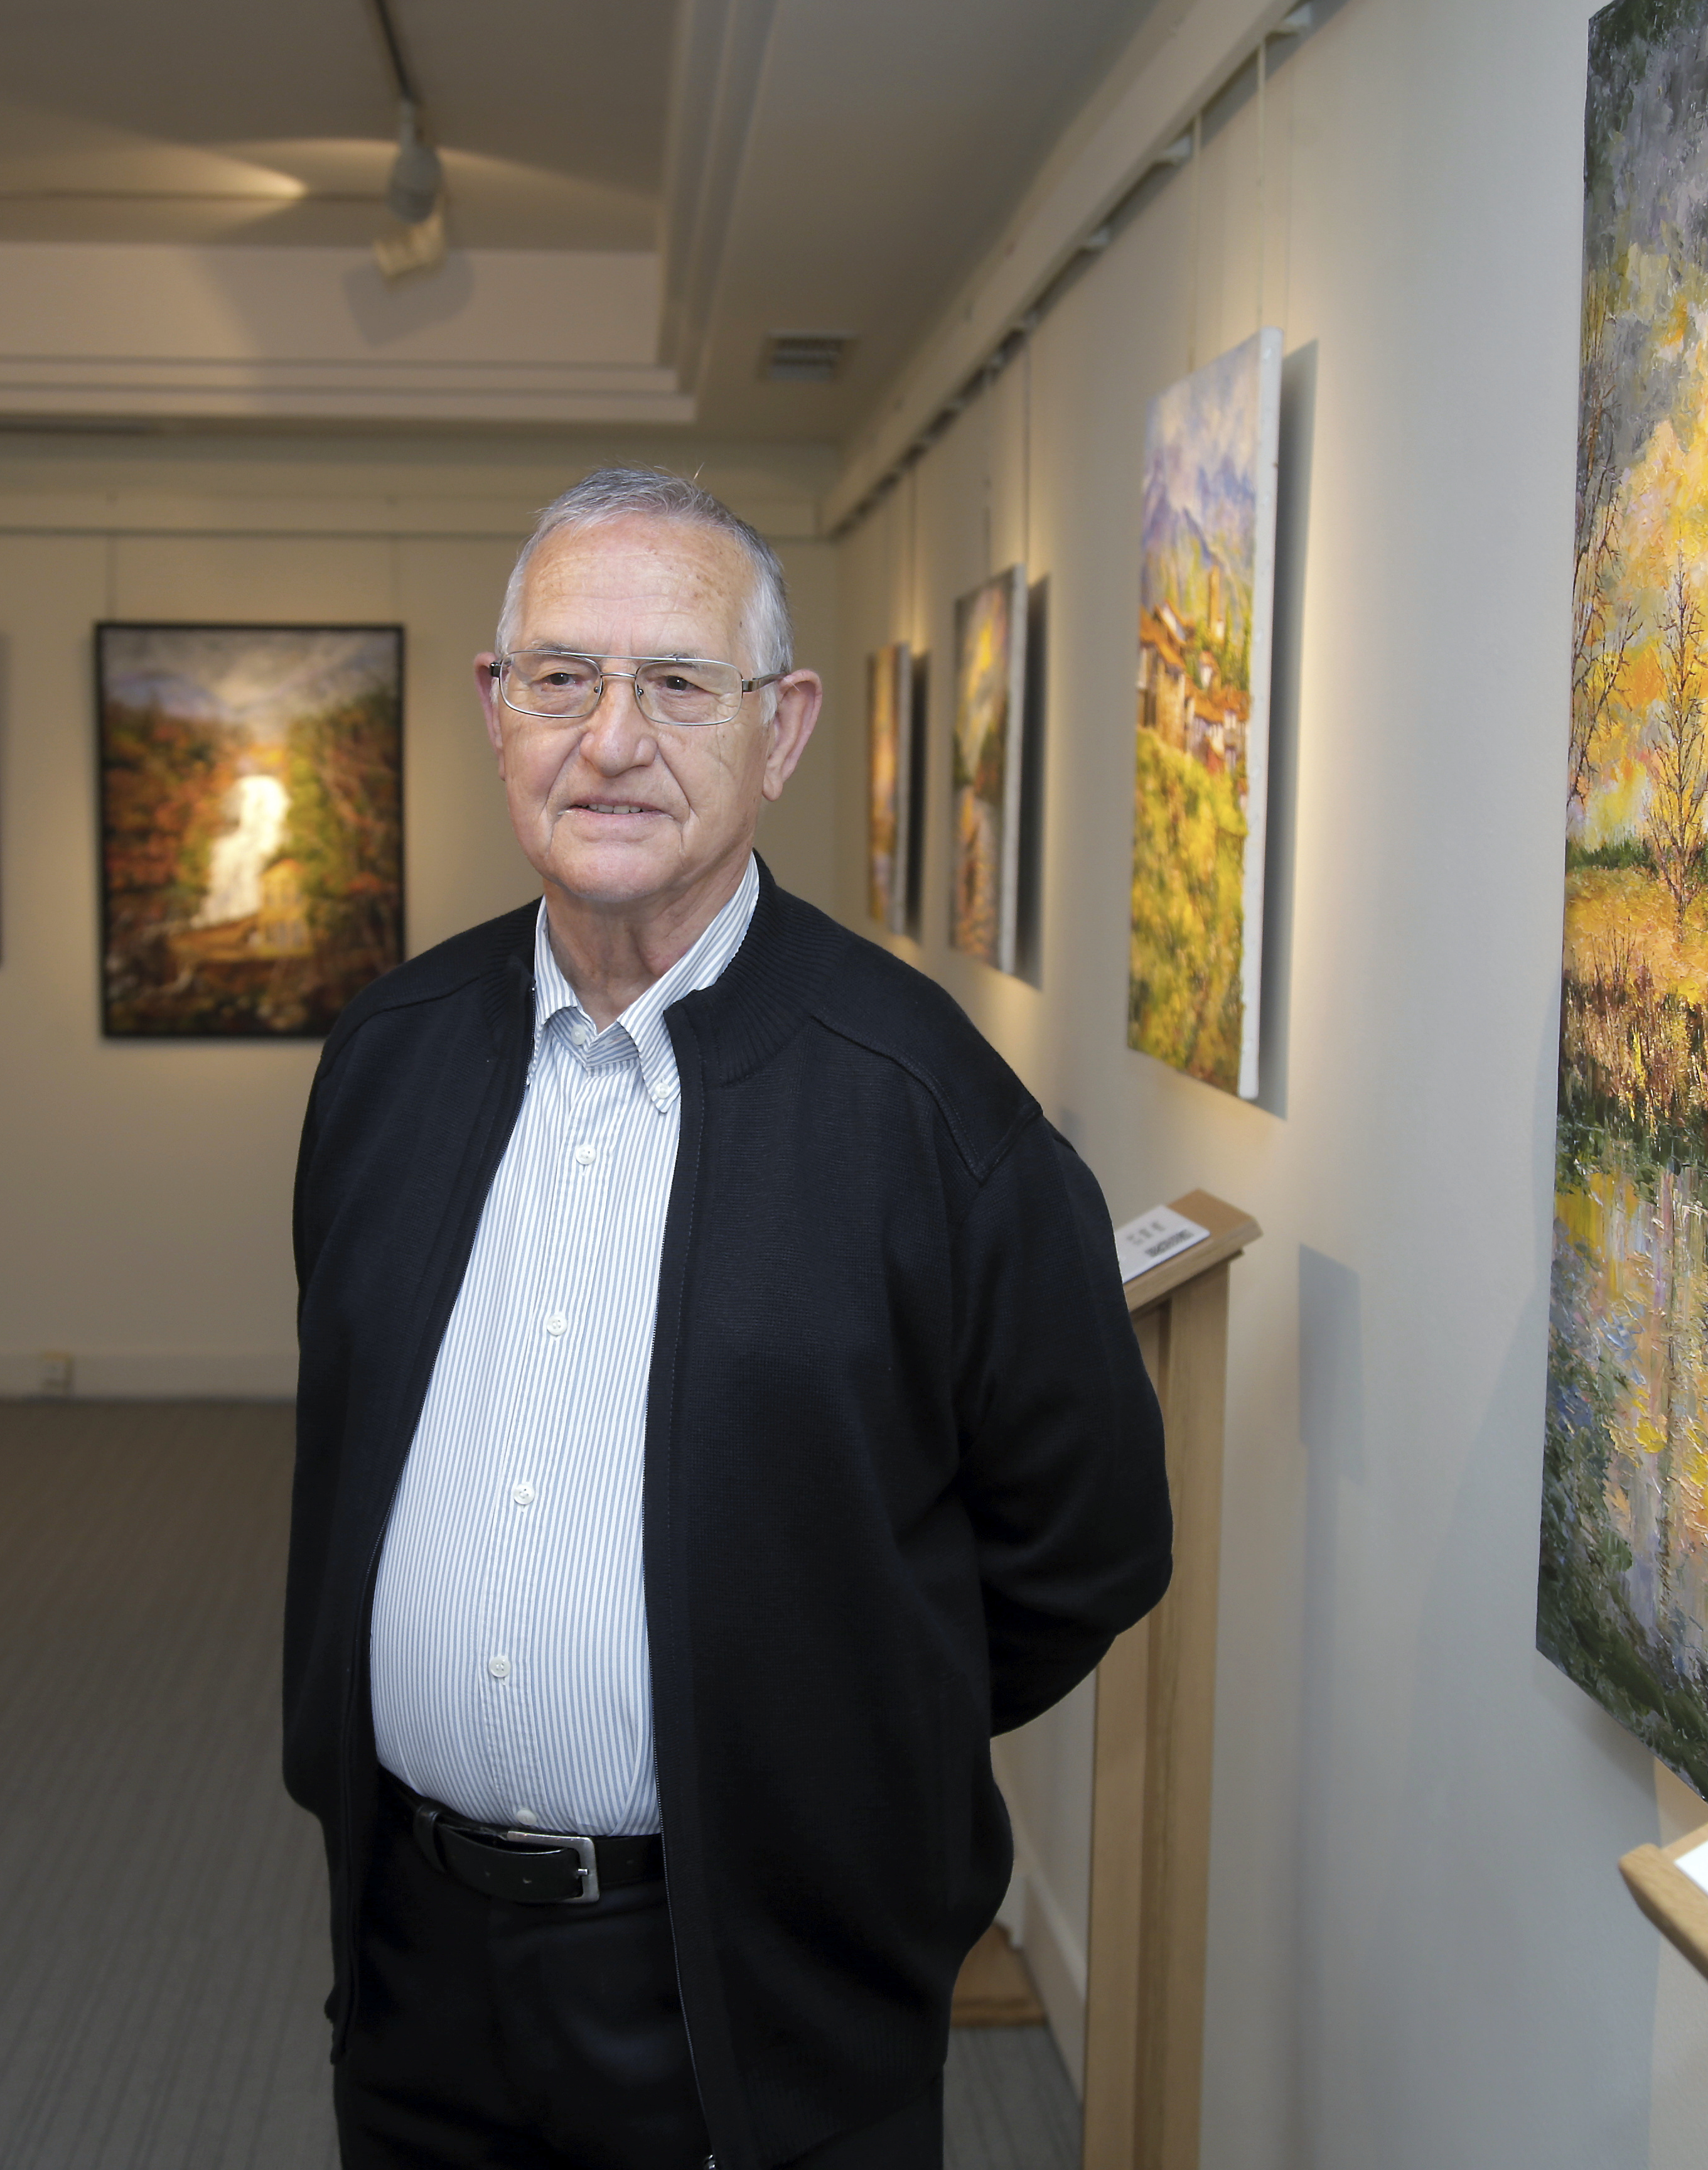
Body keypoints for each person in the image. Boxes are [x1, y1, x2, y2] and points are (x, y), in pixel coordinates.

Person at [283, 467, 1171, 2170]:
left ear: (783, 730)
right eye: (561, 677)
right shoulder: (385, 1063)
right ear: (495, 710)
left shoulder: (926, 1113)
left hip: (749, 1986)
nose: (611, 740)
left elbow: (1087, 1549)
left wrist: (832, 1734)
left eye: (679, 685)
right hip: (414, 1961)